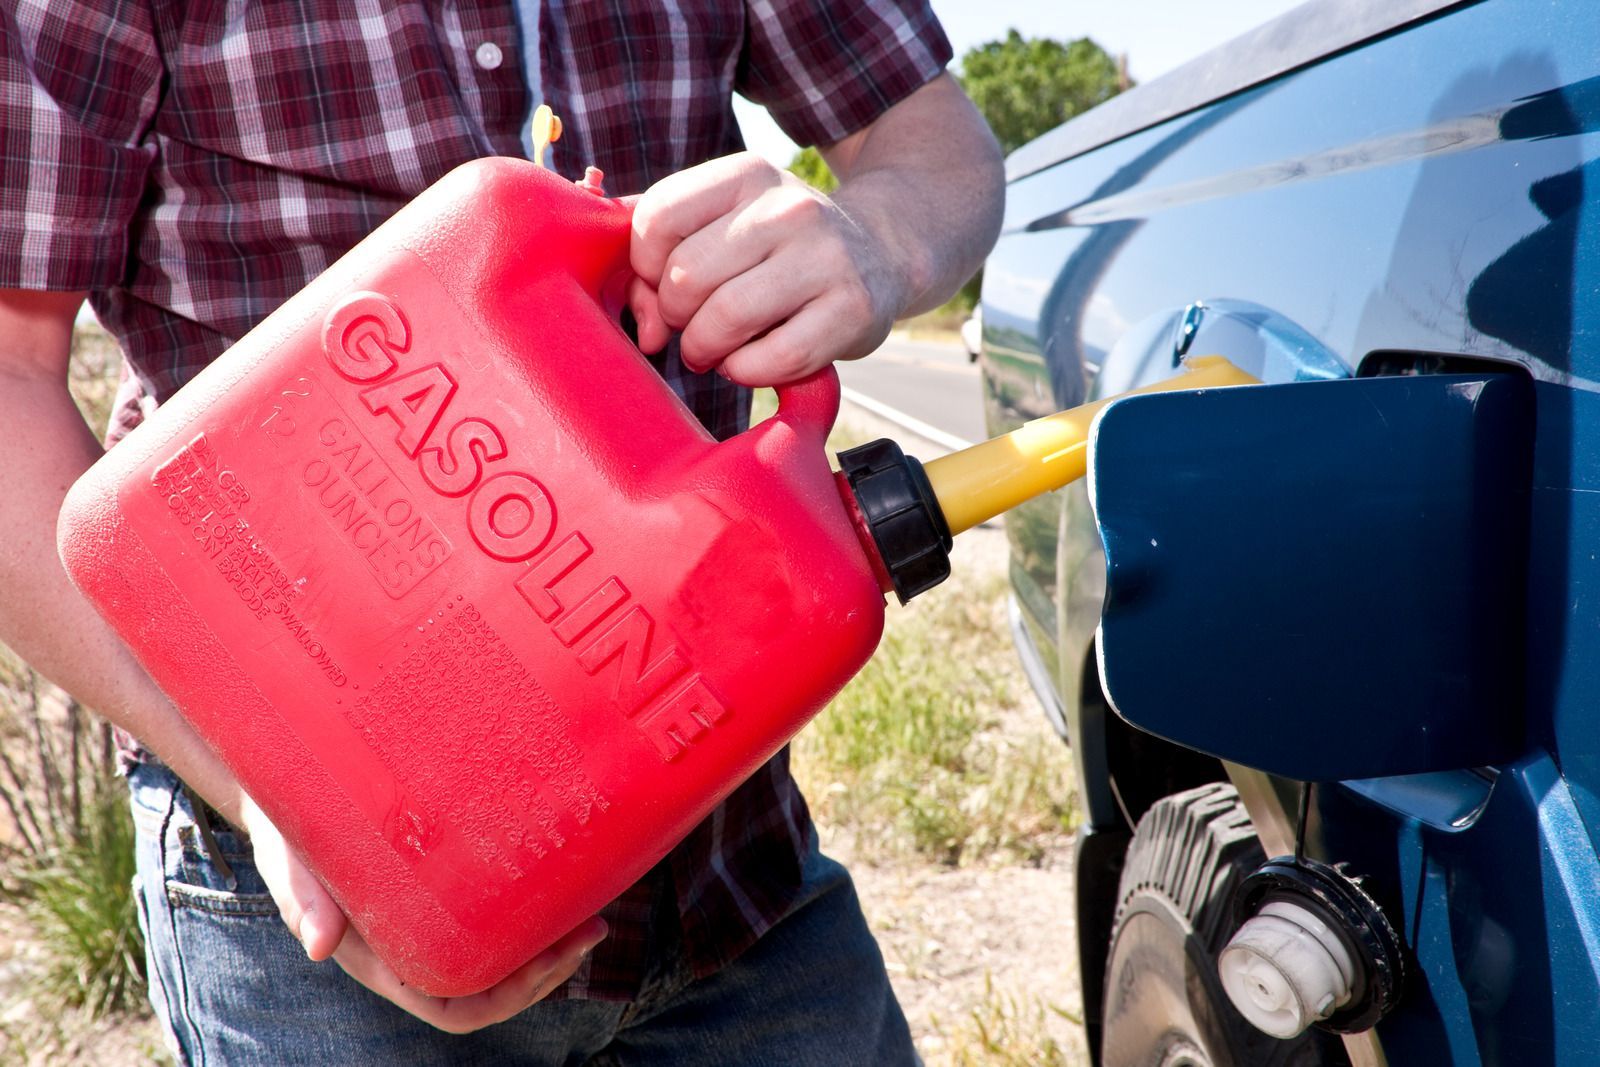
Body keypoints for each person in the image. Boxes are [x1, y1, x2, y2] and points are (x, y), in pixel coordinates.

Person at [0, 2, 1003, 1062]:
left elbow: (932, 141)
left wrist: (878, 238)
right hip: (318, 914)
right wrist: (291, 804)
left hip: (721, 856)